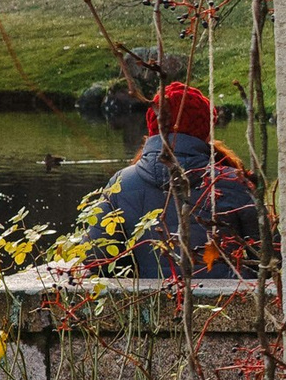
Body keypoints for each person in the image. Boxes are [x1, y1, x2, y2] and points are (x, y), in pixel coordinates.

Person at [95, 83, 263, 279]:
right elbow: (270, 256)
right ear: (206, 131)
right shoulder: (234, 181)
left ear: (153, 127)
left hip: (151, 297)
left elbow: (95, 260)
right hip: (228, 298)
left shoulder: (120, 183)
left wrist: (140, 271)